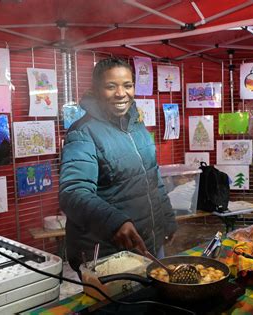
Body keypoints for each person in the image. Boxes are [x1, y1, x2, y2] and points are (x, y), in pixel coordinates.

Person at [59, 57, 177, 273]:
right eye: (110, 86)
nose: (121, 93)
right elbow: (73, 193)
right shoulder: (82, 133)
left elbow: (153, 176)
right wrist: (114, 223)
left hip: (148, 242)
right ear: (95, 90)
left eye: (127, 85)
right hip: (109, 252)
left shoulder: (137, 125)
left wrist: (167, 218)